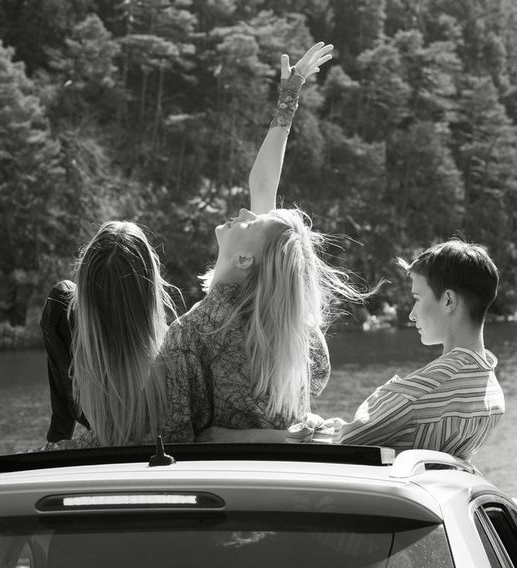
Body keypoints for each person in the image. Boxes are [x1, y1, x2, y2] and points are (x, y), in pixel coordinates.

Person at [157, 42, 374, 443]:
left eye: (250, 221)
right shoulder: (295, 332)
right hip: (289, 477)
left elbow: (184, 439)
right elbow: (262, 183)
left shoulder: (192, 332)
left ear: (244, 259)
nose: (243, 213)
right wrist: (289, 96)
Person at [312, 240, 505, 461]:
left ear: (449, 300)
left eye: (417, 299)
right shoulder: (492, 392)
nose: (412, 315)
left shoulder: (422, 392)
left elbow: (348, 441)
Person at [39, 221, 178, 448]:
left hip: (101, 450)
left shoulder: (62, 311)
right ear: (150, 291)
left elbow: (62, 414)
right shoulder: (176, 346)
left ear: (84, 281)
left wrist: (49, 455)